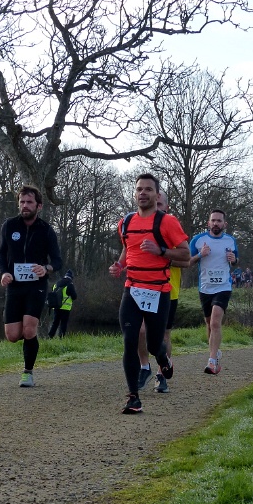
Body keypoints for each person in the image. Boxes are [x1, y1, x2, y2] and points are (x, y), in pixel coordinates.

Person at [109, 174, 189, 414]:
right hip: (132, 289)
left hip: (158, 292)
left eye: (148, 189)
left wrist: (161, 250)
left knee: (154, 344)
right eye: (139, 189)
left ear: (156, 194)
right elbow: (128, 249)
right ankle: (133, 397)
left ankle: (163, 359)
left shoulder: (168, 222)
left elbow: (185, 255)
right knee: (130, 340)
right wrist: (120, 265)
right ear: (134, 193)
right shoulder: (125, 222)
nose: (143, 193)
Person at [0, 185, 62, 387]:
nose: (25, 205)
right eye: (22, 202)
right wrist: (4, 272)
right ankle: (28, 333)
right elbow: (0, 254)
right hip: (15, 286)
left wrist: (46, 268)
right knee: (13, 335)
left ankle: (28, 372)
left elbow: (57, 260)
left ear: (38, 206)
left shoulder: (46, 230)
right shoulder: (9, 226)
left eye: (29, 202)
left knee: (29, 329)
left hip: (36, 286)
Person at [137, 192, 189, 394]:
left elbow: (186, 260)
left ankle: (161, 374)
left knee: (164, 335)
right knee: (140, 331)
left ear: (166, 207)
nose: (155, 207)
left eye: (159, 204)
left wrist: (162, 254)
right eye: (154, 204)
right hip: (143, 288)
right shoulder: (139, 226)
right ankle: (144, 367)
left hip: (168, 290)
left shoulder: (171, 227)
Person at [189, 209, 239, 374]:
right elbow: (187, 262)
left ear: (225, 224)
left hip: (223, 287)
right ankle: (215, 352)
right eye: (213, 220)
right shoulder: (198, 240)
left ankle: (212, 362)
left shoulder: (230, 240)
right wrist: (200, 255)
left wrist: (234, 260)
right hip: (205, 288)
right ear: (208, 223)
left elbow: (236, 260)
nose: (216, 223)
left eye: (219, 221)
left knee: (215, 322)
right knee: (209, 323)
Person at [48, 269, 77, 338]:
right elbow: (74, 297)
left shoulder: (57, 284)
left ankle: (50, 336)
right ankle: (61, 337)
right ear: (71, 277)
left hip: (56, 306)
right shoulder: (70, 285)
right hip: (65, 308)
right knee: (63, 323)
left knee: (55, 322)